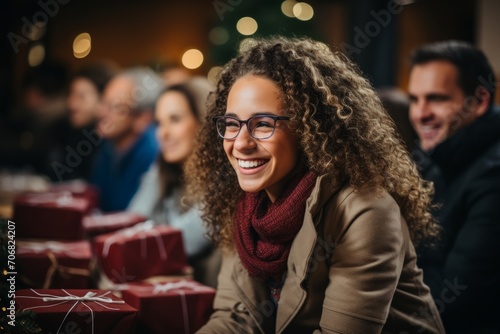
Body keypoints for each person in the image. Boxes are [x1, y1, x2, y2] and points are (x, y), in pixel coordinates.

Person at [186, 37, 445, 333]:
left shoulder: (366, 211)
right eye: (232, 124)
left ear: (309, 128)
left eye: (262, 124)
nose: (241, 143)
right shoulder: (244, 205)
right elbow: (234, 320)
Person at [407, 40, 500, 333]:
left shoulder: (493, 174)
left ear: (479, 100)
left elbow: (452, 300)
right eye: (414, 99)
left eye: (436, 98)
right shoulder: (436, 156)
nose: (421, 114)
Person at [128, 77, 219, 287]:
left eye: (175, 119)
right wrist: (157, 169)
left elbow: (180, 244)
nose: (163, 133)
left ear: (204, 122)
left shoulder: (224, 180)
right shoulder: (169, 172)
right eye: (159, 123)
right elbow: (133, 220)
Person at [90, 67, 163, 212]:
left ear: (142, 119)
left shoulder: (153, 155)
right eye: (103, 102)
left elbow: (133, 218)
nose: (101, 112)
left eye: (116, 107)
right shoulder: (108, 145)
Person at [49, 62, 117, 182]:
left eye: (81, 97)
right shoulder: (64, 131)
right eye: (70, 94)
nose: (71, 104)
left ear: (104, 99)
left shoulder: (111, 142)